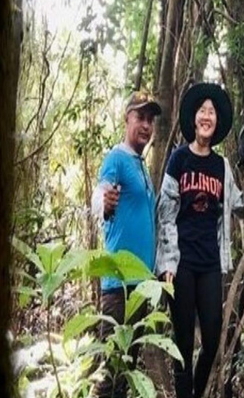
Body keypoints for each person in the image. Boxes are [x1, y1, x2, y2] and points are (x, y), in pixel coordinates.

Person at [155, 83, 244, 398]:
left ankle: (197, 390)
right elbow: (165, 214)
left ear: (217, 122)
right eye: (202, 111)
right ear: (194, 119)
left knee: (212, 336)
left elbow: (238, 204)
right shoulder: (178, 160)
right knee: (182, 342)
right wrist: (167, 263)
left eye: (212, 112)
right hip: (181, 264)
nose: (207, 116)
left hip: (209, 262)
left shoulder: (221, 166)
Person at [90, 90, 161, 398]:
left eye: (150, 119)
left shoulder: (141, 167)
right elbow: (100, 194)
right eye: (140, 117)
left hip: (141, 286)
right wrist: (103, 204)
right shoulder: (117, 158)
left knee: (127, 370)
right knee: (109, 370)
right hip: (119, 285)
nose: (145, 125)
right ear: (127, 119)